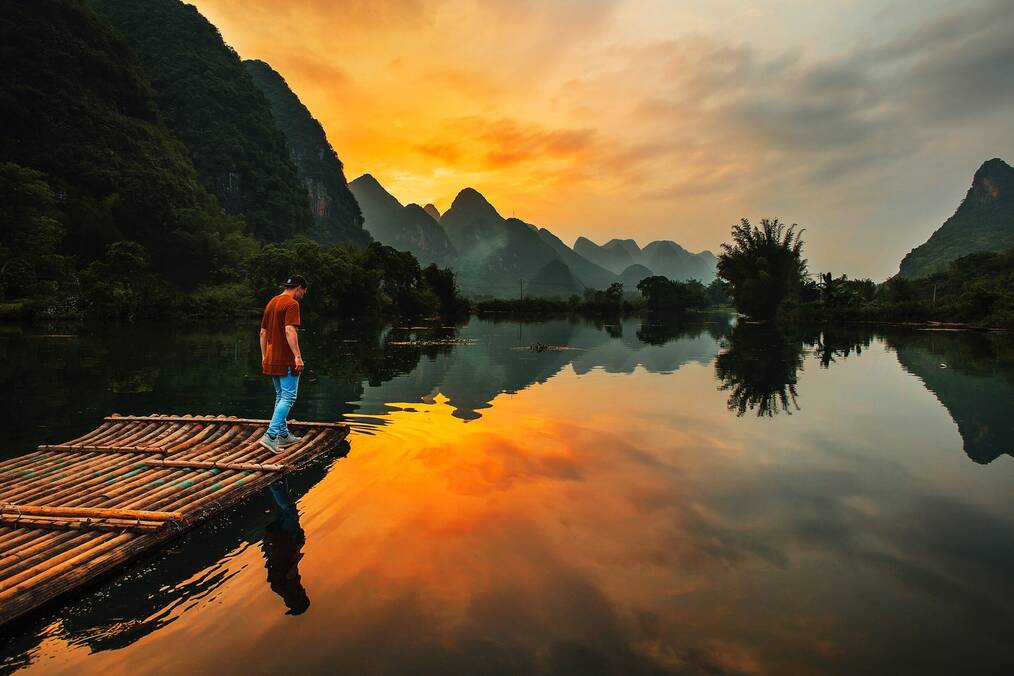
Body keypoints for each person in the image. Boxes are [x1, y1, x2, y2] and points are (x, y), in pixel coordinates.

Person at [259, 275, 308, 452]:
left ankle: (284, 435)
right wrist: (297, 356)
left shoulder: (272, 302)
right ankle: (271, 435)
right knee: (289, 397)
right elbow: (289, 330)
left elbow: (263, 333)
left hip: (272, 358)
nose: (303, 294)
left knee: (280, 396)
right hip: (285, 359)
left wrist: (265, 356)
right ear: (299, 288)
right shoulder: (292, 304)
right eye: (304, 291)